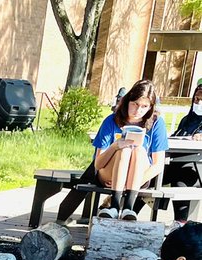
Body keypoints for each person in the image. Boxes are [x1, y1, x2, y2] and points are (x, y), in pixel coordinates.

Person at [58, 79, 168, 223]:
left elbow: (158, 165)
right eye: (135, 104)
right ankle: (114, 206)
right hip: (109, 172)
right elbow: (98, 164)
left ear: (151, 107)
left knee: (138, 150)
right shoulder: (111, 120)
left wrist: (128, 183)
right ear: (128, 101)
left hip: (139, 176)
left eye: (144, 106)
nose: (138, 110)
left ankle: (128, 207)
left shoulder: (156, 123)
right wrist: (115, 146)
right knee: (124, 150)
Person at [166, 86, 202, 224]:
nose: (199, 103)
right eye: (196, 99)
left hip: (196, 167)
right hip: (175, 162)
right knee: (152, 174)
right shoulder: (186, 120)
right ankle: (129, 213)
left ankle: (180, 223)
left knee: (182, 176)